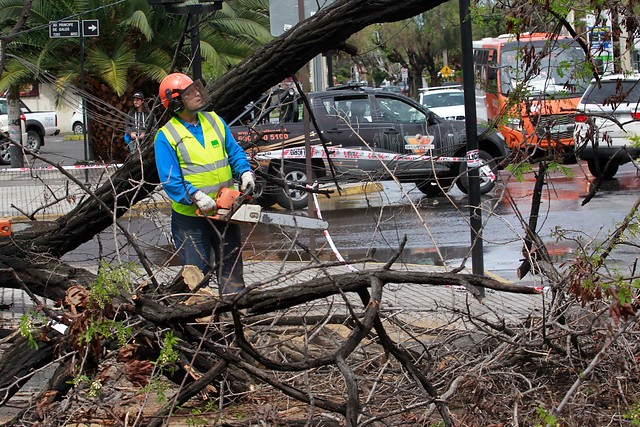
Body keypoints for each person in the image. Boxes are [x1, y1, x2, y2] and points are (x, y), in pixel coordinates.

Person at [153, 73, 255, 296]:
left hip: (224, 212)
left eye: (197, 88)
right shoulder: (166, 136)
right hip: (191, 220)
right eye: (190, 92)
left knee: (232, 274)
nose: (198, 93)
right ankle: (204, 326)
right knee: (197, 280)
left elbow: (234, 151)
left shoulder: (214, 120)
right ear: (176, 102)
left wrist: (245, 172)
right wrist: (196, 196)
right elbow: (170, 181)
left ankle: (236, 321)